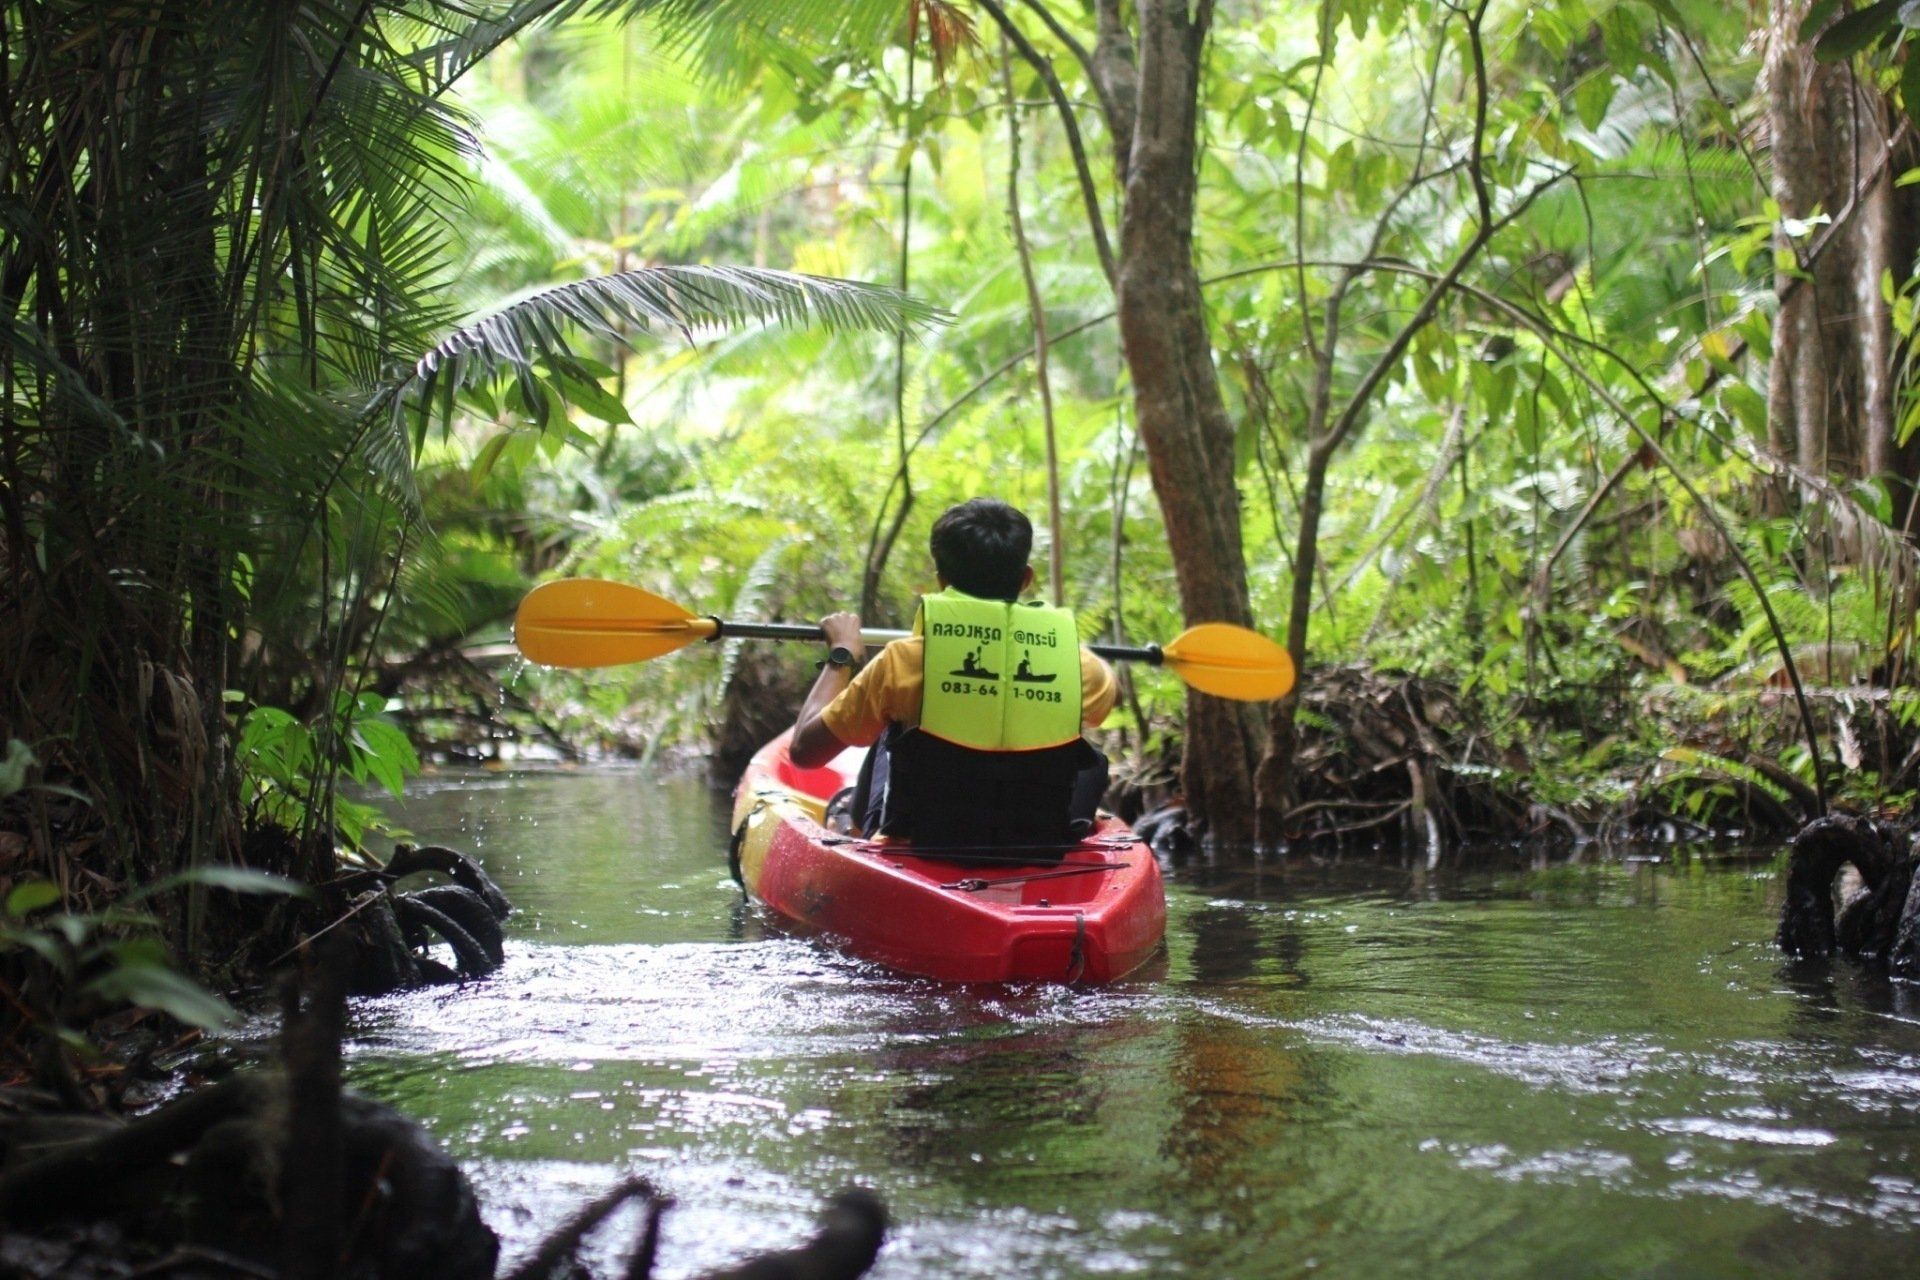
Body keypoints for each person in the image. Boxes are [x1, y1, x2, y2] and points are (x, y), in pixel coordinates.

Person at [788, 498, 1117, 850]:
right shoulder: (1080, 667)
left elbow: (805, 751)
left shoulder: (901, 662)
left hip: (923, 846)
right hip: (1037, 849)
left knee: (890, 727)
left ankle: (851, 821)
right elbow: (1110, 699)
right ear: (1026, 578)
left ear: (942, 580)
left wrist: (842, 655)